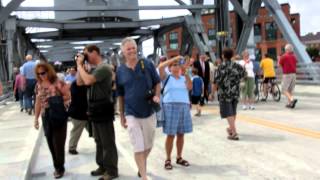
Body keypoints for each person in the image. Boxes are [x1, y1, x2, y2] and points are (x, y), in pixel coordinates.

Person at [116, 37, 160, 180]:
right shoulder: (120, 71)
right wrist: (122, 115)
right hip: (131, 112)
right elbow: (120, 95)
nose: (132, 50)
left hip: (148, 110)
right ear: (123, 52)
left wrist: (157, 96)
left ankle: (142, 165)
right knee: (138, 147)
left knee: (148, 145)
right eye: (128, 49)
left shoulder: (147, 64)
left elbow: (157, 82)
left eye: (133, 47)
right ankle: (144, 176)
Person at [76, 45, 118, 180]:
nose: (85, 56)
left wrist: (79, 65)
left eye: (86, 54)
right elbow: (79, 82)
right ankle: (102, 166)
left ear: (94, 52)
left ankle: (111, 171)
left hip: (103, 108)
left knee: (107, 142)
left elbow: (87, 80)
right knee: (99, 141)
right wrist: (81, 66)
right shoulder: (94, 69)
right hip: (95, 109)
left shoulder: (103, 68)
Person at [34, 62, 70, 179]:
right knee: (50, 143)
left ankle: (59, 168)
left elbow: (68, 96)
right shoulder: (38, 84)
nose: (41, 75)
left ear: (48, 71)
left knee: (58, 143)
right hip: (46, 117)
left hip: (58, 115)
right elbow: (38, 102)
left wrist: (55, 99)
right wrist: (36, 118)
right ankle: (57, 166)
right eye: (39, 74)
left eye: (43, 73)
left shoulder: (58, 82)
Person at [158, 55, 193, 170]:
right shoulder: (166, 77)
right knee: (171, 134)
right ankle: (168, 158)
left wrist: (186, 72)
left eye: (178, 65)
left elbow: (189, 87)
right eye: (174, 65)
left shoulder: (184, 78)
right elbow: (160, 67)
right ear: (170, 67)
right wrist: (174, 59)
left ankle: (179, 157)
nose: (176, 67)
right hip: (170, 107)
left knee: (181, 134)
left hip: (184, 106)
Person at [213, 48, 246, 140]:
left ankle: (234, 132)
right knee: (233, 111)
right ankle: (231, 129)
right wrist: (236, 81)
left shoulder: (221, 66)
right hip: (235, 91)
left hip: (224, 93)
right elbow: (244, 75)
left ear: (223, 56)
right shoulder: (237, 65)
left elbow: (216, 81)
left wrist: (212, 93)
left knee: (228, 112)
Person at [67, 78, 88, 155]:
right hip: (78, 113)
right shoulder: (75, 85)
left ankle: (101, 144)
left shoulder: (76, 84)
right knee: (77, 130)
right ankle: (72, 147)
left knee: (94, 130)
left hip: (83, 112)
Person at [279, 44, 298, 108]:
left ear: (286, 49)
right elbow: (295, 63)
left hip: (287, 74)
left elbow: (279, 65)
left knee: (284, 89)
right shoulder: (294, 56)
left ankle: (292, 100)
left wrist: (279, 59)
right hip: (294, 74)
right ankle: (290, 104)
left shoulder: (284, 56)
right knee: (290, 90)